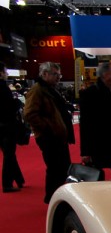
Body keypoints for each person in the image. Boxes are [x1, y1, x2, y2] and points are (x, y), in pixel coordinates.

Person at [23, 62, 74, 203]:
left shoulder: (50, 89)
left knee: (62, 167)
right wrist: (49, 127)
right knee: (55, 168)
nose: (58, 77)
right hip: (49, 137)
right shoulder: (38, 90)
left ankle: (56, 196)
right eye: (54, 74)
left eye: (59, 74)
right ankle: (52, 197)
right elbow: (29, 114)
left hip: (57, 136)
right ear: (44, 74)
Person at [0, 70, 26, 193]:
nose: (6, 74)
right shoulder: (3, 88)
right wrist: (18, 103)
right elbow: (9, 107)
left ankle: (19, 179)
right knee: (9, 155)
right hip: (6, 125)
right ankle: (7, 184)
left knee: (9, 154)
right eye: (4, 71)